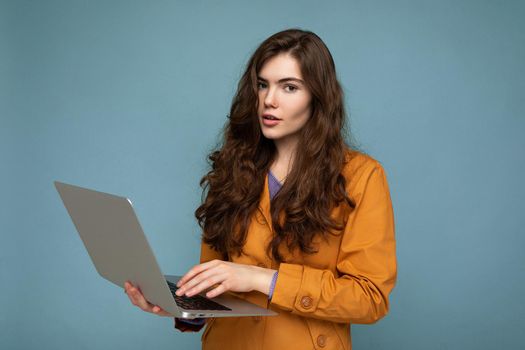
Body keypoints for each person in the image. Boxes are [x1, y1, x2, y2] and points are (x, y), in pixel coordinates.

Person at [124, 28, 397, 350]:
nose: (269, 100)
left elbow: (369, 298)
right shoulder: (233, 166)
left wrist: (259, 279)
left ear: (318, 97)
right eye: (262, 85)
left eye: (290, 87)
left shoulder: (361, 176)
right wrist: (183, 305)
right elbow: (218, 277)